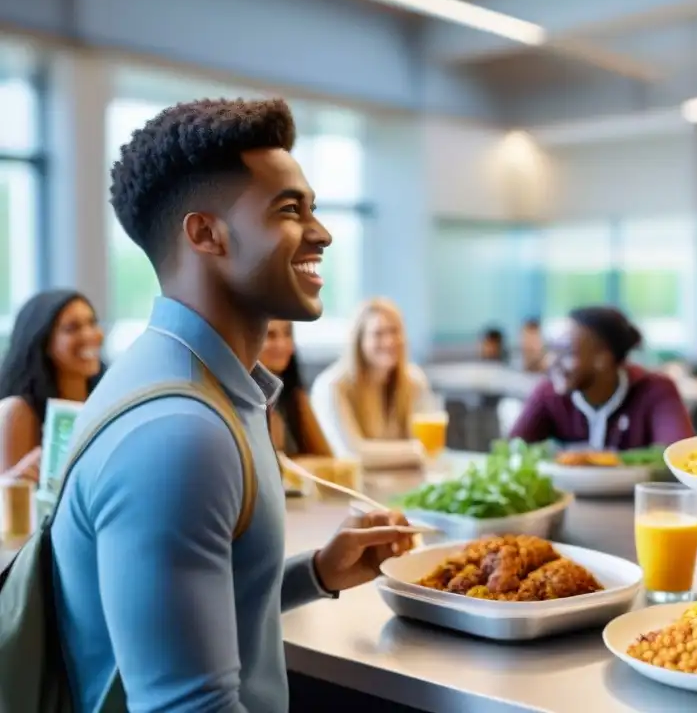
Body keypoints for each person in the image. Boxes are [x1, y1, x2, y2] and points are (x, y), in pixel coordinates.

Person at [50, 98, 415, 713]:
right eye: (290, 210)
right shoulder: (179, 433)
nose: (321, 233)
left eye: (314, 209)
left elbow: (194, 617)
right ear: (205, 234)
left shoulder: (193, 386)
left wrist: (317, 573)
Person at [510, 306, 694, 449]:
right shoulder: (548, 392)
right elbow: (512, 452)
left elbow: (678, 456)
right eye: (553, 350)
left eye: (566, 353)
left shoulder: (656, 390)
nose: (551, 362)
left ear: (603, 358)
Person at [310, 298, 434, 467]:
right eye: (378, 333)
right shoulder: (332, 386)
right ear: (359, 340)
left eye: (394, 331)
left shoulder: (414, 381)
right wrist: (416, 451)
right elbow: (352, 454)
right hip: (347, 489)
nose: (389, 341)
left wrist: (420, 450)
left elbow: (430, 445)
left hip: (402, 484)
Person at [0, 290, 104, 482]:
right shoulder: (17, 412)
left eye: (92, 323)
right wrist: (16, 478)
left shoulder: (108, 400)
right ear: (44, 341)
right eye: (72, 328)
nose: (89, 335)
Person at [259, 320, 332, 457]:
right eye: (270, 335)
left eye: (287, 334)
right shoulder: (245, 402)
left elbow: (327, 457)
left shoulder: (294, 394)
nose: (282, 344)